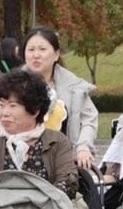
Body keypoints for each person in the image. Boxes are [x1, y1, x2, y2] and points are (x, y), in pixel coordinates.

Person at [0, 68, 78, 197]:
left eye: (13, 106)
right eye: (1, 105)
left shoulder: (57, 142)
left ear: (35, 110)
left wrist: (50, 198)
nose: (4, 113)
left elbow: (68, 179)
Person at [21, 27, 99, 170]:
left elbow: (89, 119)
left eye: (42, 49)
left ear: (56, 55)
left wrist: (83, 147)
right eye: (31, 50)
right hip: (21, 161)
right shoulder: (10, 87)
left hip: (63, 162)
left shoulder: (75, 88)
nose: (36, 55)